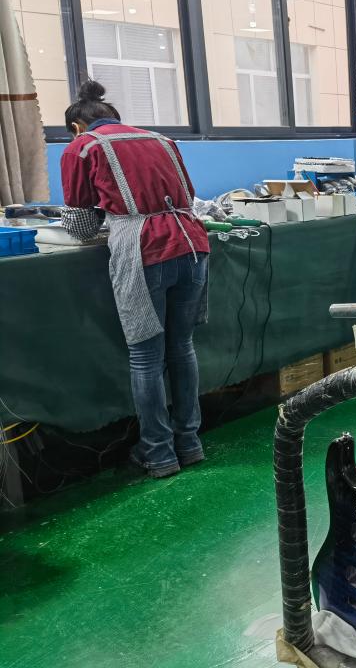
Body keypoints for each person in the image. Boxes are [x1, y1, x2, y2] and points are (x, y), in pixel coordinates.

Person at [61, 80, 210, 478]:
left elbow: (80, 225)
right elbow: (188, 195)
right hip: (192, 243)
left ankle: (158, 452)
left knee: (146, 356)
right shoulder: (162, 140)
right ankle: (189, 442)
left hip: (145, 249)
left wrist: (99, 215)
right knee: (181, 347)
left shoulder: (83, 147)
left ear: (76, 126)